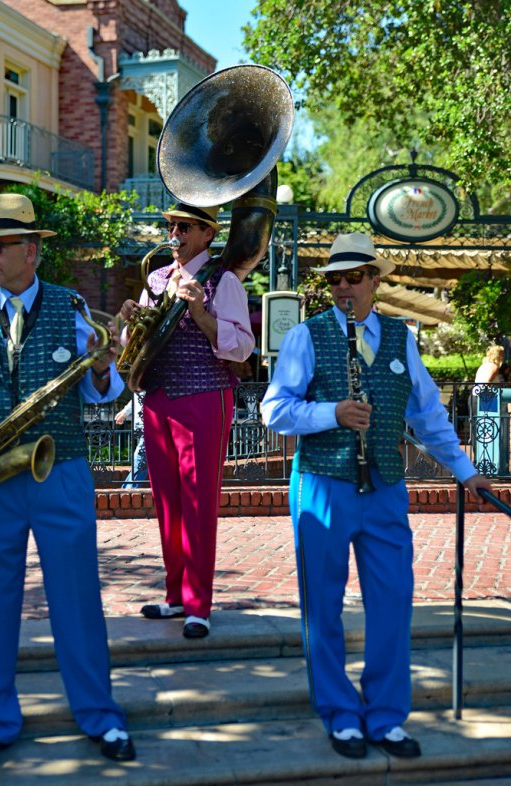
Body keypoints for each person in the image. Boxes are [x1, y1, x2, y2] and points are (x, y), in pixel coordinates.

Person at [0, 194, 135, 771]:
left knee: (78, 599)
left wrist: (106, 365)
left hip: (59, 471)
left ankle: (100, 716)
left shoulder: (75, 305)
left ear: (31, 251)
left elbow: (102, 392)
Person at [261, 231, 492, 761]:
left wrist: (465, 471)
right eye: (334, 279)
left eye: (354, 277)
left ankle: (386, 715)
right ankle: (341, 715)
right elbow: (273, 410)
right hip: (322, 482)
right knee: (323, 605)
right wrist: (330, 414)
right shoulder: (306, 336)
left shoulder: (400, 336)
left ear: (373, 280)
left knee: (392, 604)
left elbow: (428, 413)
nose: (343, 286)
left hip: (385, 486)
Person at [119, 203, 255, 639]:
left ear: (206, 235)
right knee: (167, 503)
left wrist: (201, 312)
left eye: (183, 227)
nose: (173, 233)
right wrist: (130, 323)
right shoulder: (156, 279)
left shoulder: (223, 280)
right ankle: (176, 594)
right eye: (170, 225)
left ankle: (199, 604)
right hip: (158, 398)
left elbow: (242, 349)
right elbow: (136, 344)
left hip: (205, 398)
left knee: (199, 504)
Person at [115, 391, 148, 488]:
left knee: (140, 460)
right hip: (142, 424)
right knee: (141, 460)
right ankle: (126, 492)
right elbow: (137, 397)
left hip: (150, 424)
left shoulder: (151, 378)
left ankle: (127, 492)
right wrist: (125, 412)